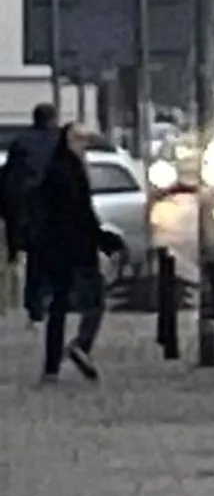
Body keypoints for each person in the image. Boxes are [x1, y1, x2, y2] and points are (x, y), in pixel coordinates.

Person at [27, 124, 120, 383]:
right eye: (80, 139)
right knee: (95, 300)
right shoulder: (70, 172)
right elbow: (81, 213)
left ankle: (52, 366)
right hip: (75, 248)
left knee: (59, 306)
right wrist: (102, 239)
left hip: (56, 248)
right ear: (67, 141)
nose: (84, 145)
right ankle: (81, 346)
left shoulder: (56, 168)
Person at [2, 103, 61, 327]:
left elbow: (9, 178)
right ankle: (54, 301)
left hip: (28, 210)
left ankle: (35, 306)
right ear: (53, 118)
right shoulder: (60, 142)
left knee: (35, 260)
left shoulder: (21, 142)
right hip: (55, 208)